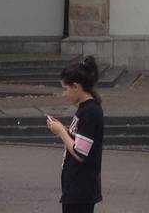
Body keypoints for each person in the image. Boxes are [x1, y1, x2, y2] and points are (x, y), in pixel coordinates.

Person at [47, 56, 104, 213]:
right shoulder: (86, 109)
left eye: (65, 89)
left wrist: (61, 132)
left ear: (76, 87)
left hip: (81, 187)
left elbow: (80, 152)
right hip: (77, 186)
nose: (64, 94)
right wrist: (65, 130)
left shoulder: (90, 112)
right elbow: (81, 140)